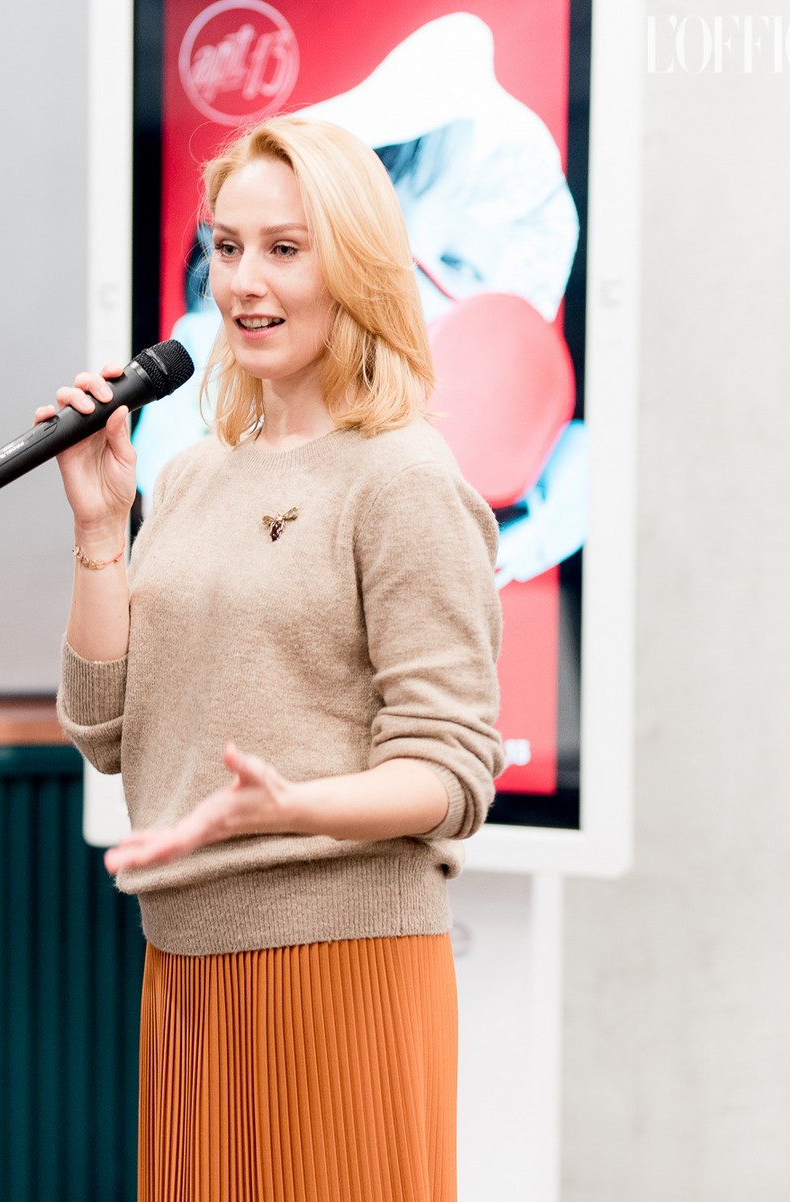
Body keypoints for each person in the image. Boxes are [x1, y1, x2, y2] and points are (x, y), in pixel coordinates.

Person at [39, 115, 504, 1200]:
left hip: (340, 967)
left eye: (285, 248)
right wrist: (101, 532)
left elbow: (450, 773)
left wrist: (293, 804)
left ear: (357, 266)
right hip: (186, 969)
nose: (245, 281)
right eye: (227, 245)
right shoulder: (193, 475)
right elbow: (106, 727)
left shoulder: (403, 478)